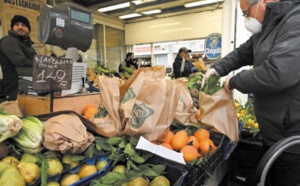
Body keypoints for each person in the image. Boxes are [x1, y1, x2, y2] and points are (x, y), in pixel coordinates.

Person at [202, 0, 300, 185]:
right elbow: (242, 53)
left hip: (292, 139)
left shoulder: (295, 22)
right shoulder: (268, 26)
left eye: (247, 12)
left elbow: (278, 72)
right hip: (273, 133)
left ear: (263, 2)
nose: (247, 18)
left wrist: (235, 80)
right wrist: (217, 69)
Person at [0, 15, 36, 102]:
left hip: (29, 87)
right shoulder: (8, 41)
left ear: (28, 29)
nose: (20, 27)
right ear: (12, 27)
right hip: (16, 89)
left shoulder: (28, 46)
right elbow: (21, 62)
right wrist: (44, 64)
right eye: (17, 24)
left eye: (23, 25)